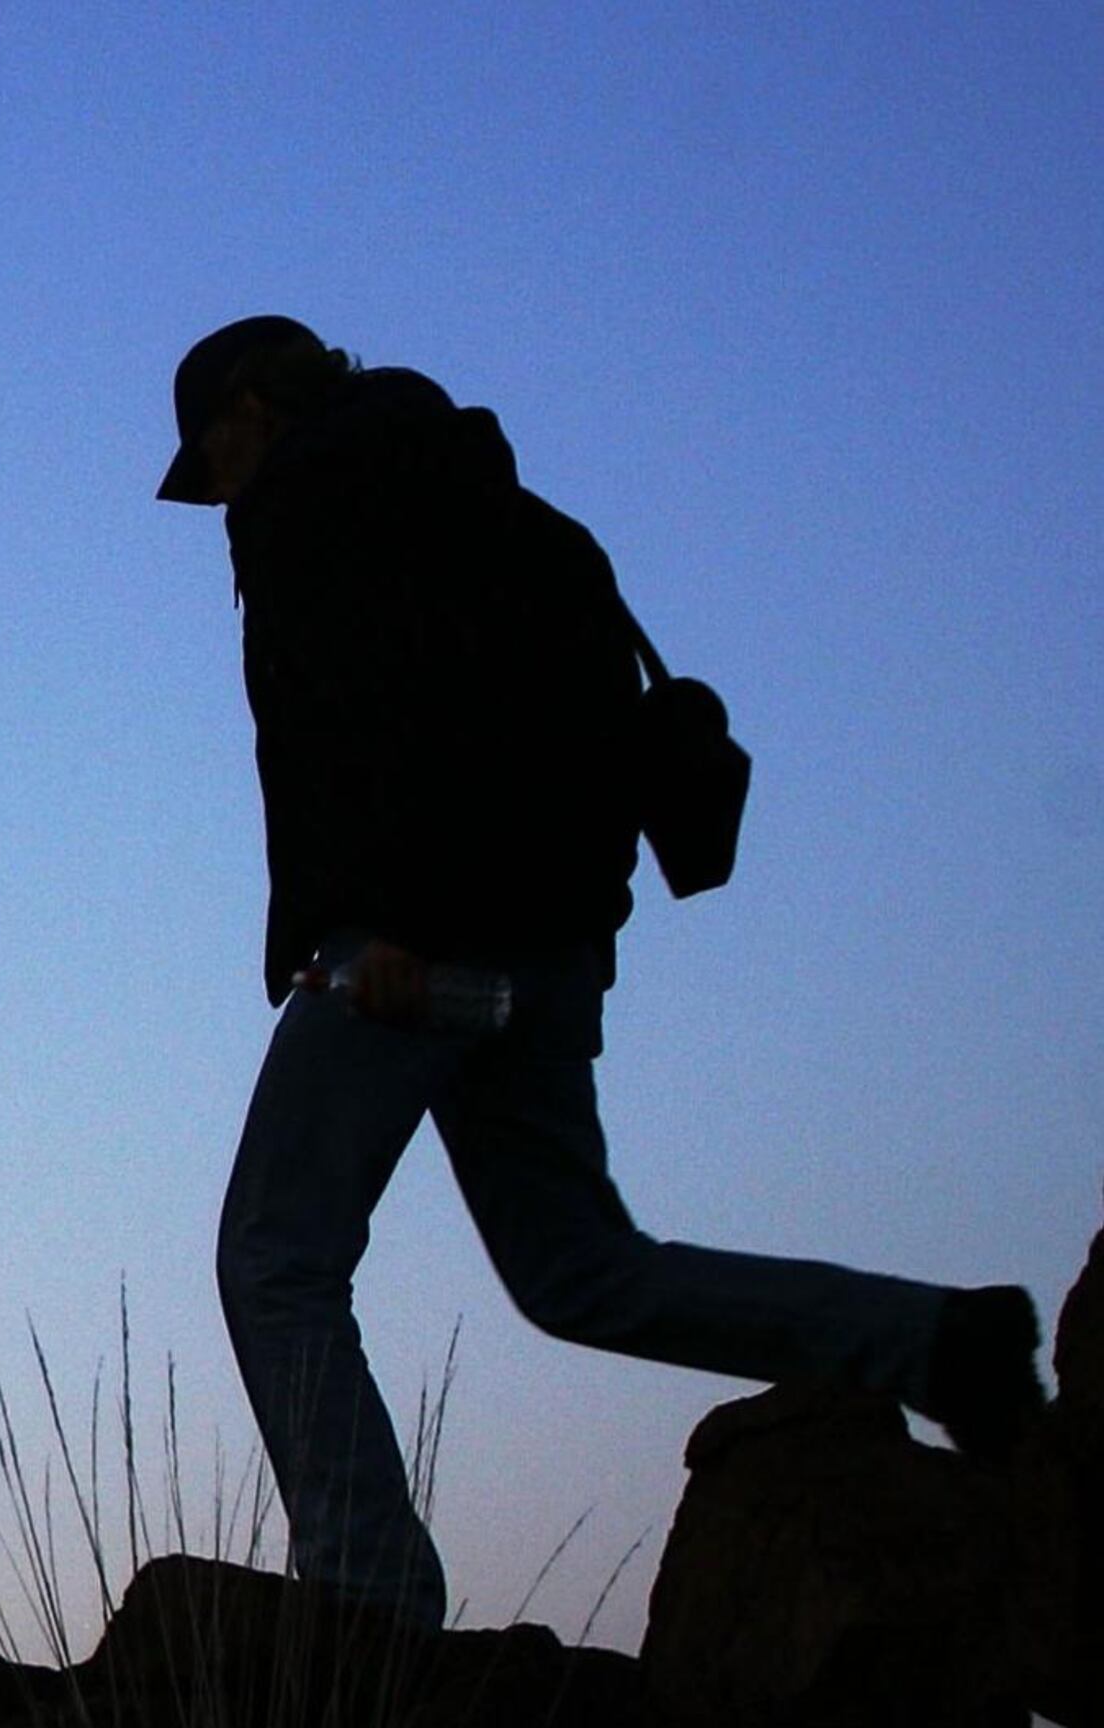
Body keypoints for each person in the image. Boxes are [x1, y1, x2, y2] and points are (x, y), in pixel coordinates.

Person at [158, 315, 1042, 1625]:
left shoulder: (313, 502)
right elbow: (576, 735)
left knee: (274, 1260)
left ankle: (370, 1594)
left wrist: (384, 923)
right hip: (550, 951)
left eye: (212, 452)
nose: (214, 487)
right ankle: (935, 1343)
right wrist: (568, 939)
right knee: (582, 1270)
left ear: (252, 407)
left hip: (412, 950)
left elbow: (366, 726)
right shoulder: (516, 516)